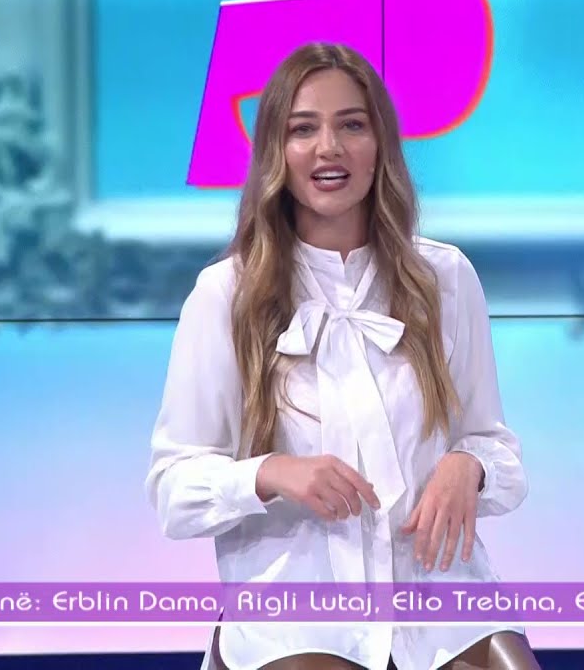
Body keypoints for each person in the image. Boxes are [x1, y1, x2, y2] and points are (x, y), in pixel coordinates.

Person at [146, 42, 539, 670]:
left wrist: (470, 466)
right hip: (297, 611)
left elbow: (500, 453)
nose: (329, 147)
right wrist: (270, 473)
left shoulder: (445, 278)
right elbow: (174, 489)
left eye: (351, 125)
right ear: (276, 152)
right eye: (303, 129)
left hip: (440, 600)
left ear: (380, 144)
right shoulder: (226, 294)